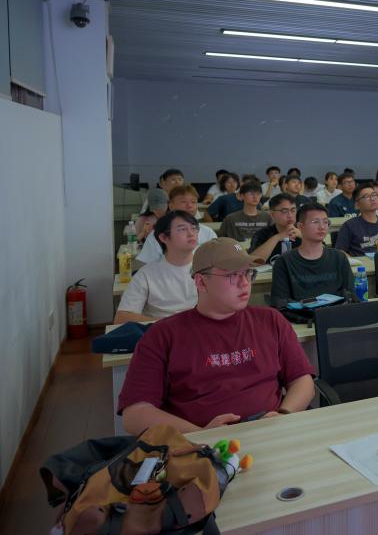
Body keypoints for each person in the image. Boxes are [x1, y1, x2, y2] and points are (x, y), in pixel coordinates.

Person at [118, 238, 315, 434]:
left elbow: (302, 381)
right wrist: (203, 434)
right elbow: (135, 414)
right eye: (232, 275)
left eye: (247, 273)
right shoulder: (163, 335)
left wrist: (283, 415)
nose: (244, 283)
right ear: (201, 282)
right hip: (199, 445)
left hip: (271, 435)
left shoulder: (271, 320)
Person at [114, 211, 200, 324]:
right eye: (182, 229)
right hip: (162, 330)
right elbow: (122, 317)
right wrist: (170, 323)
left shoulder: (209, 268)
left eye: (194, 228)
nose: (191, 233)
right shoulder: (146, 274)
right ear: (164, 237)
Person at [271, 204, 355, 306]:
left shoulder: (339, 257)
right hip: (301, 315)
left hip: (336, 313)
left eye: (325, 222)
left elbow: (351, 295)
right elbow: (281, 302)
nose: (322, 227)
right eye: (315, 222)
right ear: (300, 226)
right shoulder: (284, 261)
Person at [137, 185, 217, 264]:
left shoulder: (208, 232)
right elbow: (148, 265)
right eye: (183, 202)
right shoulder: (157, 234)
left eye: (193, 202)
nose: (189, 205)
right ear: (171, 206)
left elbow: (216, 260)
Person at [335, 184, 378, 256]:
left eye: (374, 195)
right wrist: (352, 260)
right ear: (357, 205)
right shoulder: (349, 226)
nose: (372, 199)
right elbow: (340, 251)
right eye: (366, 196)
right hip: (359, 262)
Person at [249, 193, 300, 263]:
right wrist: (277, 238)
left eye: (293, 210)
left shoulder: (304, 232)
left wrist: (304, 237)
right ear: (272, 214)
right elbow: (253, 263)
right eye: (284, 211)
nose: (290, 215)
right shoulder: (261, 235)